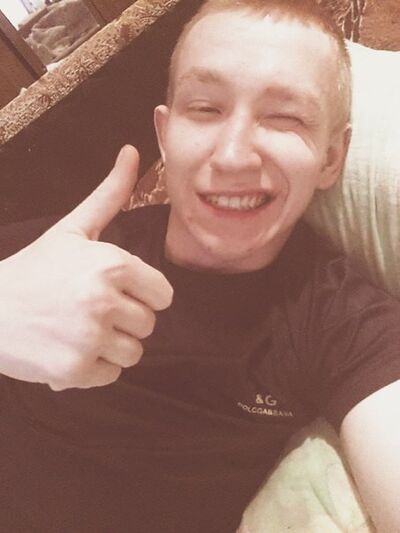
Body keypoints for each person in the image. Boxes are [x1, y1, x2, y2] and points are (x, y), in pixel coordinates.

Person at [0, 0, 399, 531]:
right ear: (164, 136)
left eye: (285, 117)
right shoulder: (44, 253)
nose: (233, 156)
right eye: (206, 109)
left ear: (331, 157)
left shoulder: (341, 323)